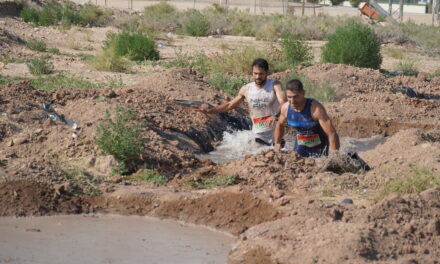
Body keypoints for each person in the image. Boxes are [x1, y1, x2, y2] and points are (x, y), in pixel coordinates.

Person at [195, 58, 286, 145]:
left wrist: (274, 115)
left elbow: (283, 102)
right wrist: (210, 111)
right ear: (252, 73)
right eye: (255, 73)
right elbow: (229, 105)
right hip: (258, 133)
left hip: (276, 132)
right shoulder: (246, 89)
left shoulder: (275, 85)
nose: (258, 77)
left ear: (267, 73)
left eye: (261, 74)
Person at [274, 79, 340, 157]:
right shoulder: (285, 108)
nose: (292, 101)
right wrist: (277, 145)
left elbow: (332, 133)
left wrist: (334, 156)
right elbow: (280, 124)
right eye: (289, 97)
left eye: (296, 97)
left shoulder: (315, 108)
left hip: (320, 146)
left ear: (303, 93)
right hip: (301, 145)